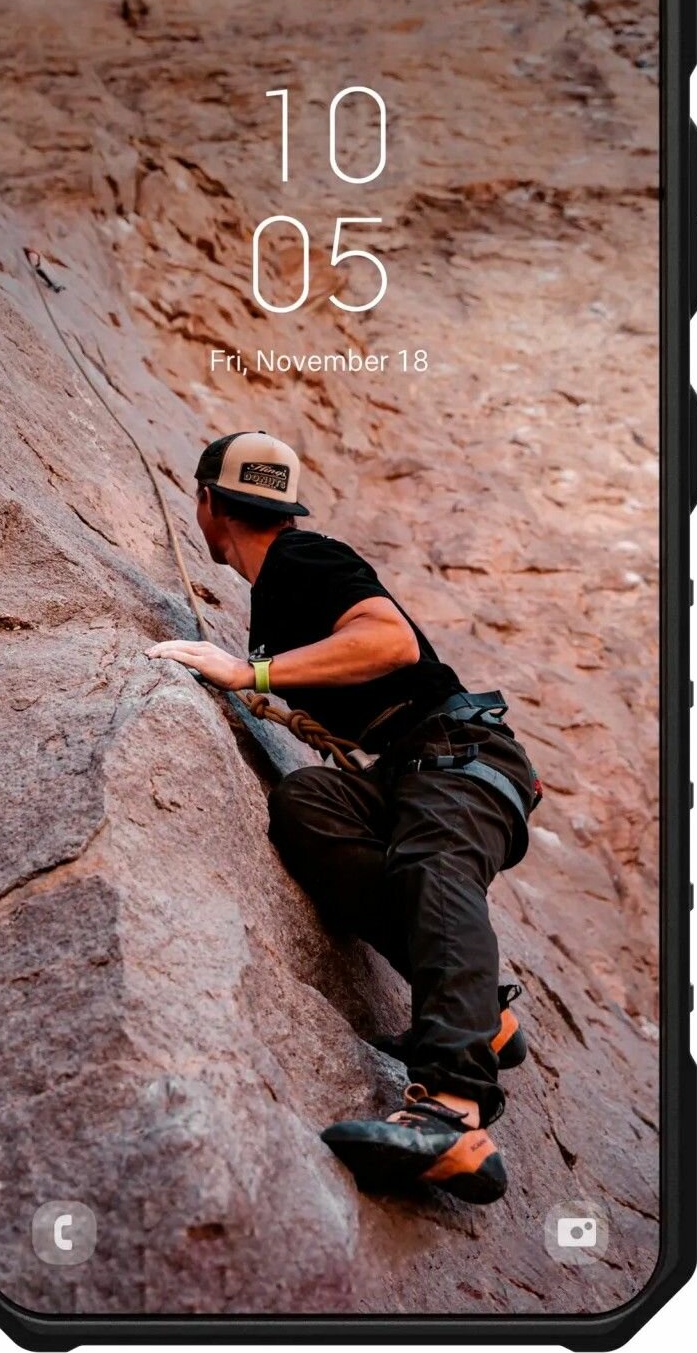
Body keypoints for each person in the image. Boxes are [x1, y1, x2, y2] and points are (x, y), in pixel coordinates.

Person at [146, 431, 540, 1204]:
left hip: (455, 756)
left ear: (206, 501)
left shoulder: (303, 558)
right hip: (407, 771)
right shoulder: (281, 584)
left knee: (433, 865)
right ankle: (477, 1013)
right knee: (309, 805)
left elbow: (388, 641)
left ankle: (452, 1113)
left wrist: (251, 672)